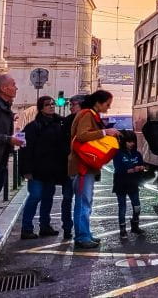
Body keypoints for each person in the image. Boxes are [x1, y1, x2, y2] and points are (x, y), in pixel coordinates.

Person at [69, 89, 119, 249]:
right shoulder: (87, 114)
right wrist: (105, 132)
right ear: (98, 102)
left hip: (86, 166)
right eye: (107, 104)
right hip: (82, 166)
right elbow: (82, 135)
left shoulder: (89, 114)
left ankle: (85, 233)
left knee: (86, 201)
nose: (108, 107)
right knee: (83, 202)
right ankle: (82, 236)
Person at [18, 97, 67, 239]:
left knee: (48, 198)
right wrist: (26, 171)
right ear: (41, 108)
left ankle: (45, 226)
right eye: (47, 105)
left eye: (53, 104)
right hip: (36, 171)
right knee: (35, 196)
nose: (51, 106)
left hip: (51, 170)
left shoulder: (59, 124)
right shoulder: (33, 127)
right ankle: (26, 228)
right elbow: (25, 149)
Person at [0, 75, 23, 242]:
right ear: (4, 89)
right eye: (13, 85)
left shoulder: (4, 106)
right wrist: (8, 139)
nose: (16, 88)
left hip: (0, 160)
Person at [57, 95, 85, 240]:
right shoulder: (66, 122)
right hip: (69, 166)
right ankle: (67, 227)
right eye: (71, 105)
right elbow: (61, 144)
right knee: (68, 198)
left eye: (74, 104)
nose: (71, 107)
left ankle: (82, 231)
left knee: (83, 200)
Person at [112, 130, 145, 238]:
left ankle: (135, 225)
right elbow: (120, 169)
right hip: (120, 184)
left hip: (133, 184)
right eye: (129, 142)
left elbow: (142, 166)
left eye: (133, 141)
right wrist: (134, 169)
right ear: (123, 142)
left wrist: (140, 168)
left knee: (137, 207)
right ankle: (122, 229)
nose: (132, 144)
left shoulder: (137, 154)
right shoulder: (118, 153)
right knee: (122, 207)